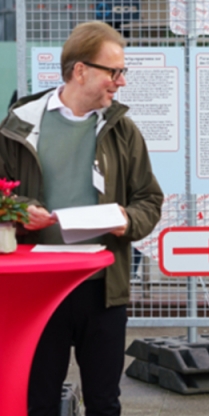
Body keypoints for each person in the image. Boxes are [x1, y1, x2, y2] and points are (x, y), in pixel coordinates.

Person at [0, 21, 163, 415]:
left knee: (104, 402)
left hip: (102, 286)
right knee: (37, 400)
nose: (121, 82)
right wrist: (20, 210)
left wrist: (127, 220)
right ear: (80, 70)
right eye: (114, 71)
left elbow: (149, 199)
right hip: (39, 288)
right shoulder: (20, 124)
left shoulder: (122, 130)